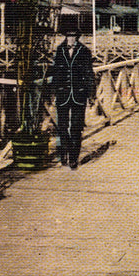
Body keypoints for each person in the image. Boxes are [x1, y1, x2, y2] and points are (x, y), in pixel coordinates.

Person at [48, 21, 96, 169]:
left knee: (76, 127)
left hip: (79, 94)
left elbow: (89, 74)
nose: (71, 39)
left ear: (77, 37)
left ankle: (73, 158)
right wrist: (53, 92)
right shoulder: (60, 50)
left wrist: (91, 94)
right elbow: (56, 73)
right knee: (62, 127)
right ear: (65, 37)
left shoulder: (84, 51)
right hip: (63, 94)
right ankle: (64, 153)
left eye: (73, 36)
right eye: (68, 36)